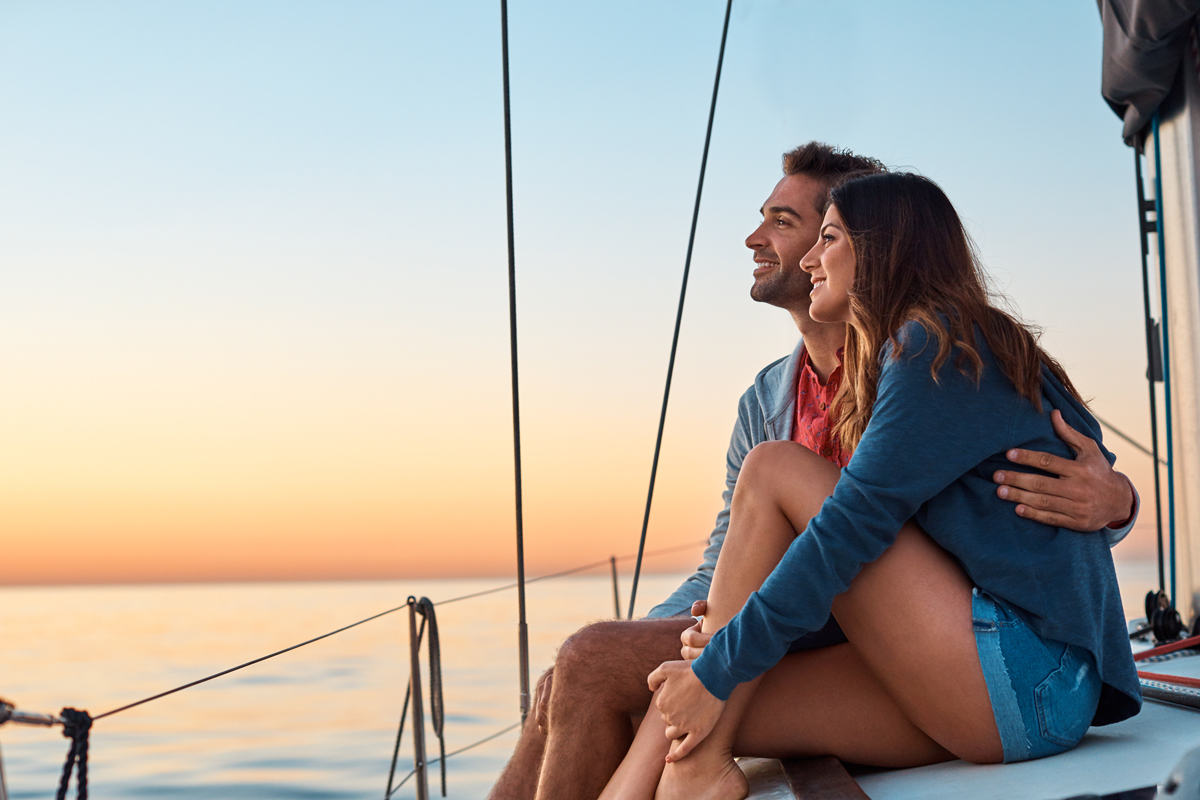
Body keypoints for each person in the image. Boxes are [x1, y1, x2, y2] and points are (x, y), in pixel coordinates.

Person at [487, 144, 1138, 800]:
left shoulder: (932, 348)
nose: (808, 257)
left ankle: (694, 773)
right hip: (955, 678)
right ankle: (690, 772)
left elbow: (853, 528)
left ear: (879, 248)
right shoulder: (789, 391)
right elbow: (729, 561)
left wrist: (1120, 501)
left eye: (821, 235)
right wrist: (684, 649)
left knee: (770, 479)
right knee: (649, 694)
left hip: (1018, 673)